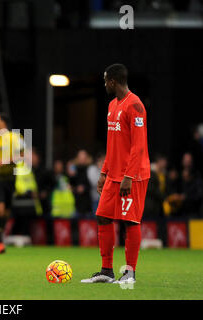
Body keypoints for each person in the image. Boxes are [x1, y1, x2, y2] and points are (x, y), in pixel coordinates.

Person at [81, 64, 150, 284]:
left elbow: (138, 147)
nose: (104, 85)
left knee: (130, 221)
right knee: (102, 215)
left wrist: (129, 176)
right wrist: (104, 172)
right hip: (114, 175)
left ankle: (130, 273)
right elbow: (113, 145)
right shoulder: (112, 105)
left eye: (105, 81)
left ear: (112, 81)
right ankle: (107, 271)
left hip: (133, 175)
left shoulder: (136, 105)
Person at [0, 112, 24, 254]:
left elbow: (22, 155)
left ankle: (0, 234)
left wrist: (6, 160)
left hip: (10, 178)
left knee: (6, 211)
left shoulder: (15, 137)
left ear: (3, 122)